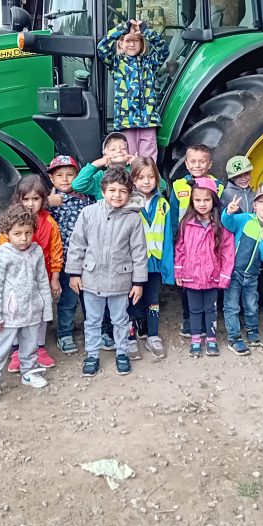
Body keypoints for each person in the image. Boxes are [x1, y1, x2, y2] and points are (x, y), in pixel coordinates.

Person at [65, 166, 148, 378]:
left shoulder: (133, 219)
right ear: (103, 191)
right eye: (112, 190)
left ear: (129, 194)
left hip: (120, 280)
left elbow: (139, 252)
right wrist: (74, 273)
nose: (117, 195)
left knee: (120, 320)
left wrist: (138, 282)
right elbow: (77, 244)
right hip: (91, 279)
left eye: (122, 191)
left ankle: (122, 352)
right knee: (92, 320)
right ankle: (92, 354)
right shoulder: (88, 213)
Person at [0, 204, 52, 405]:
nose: (24, 238)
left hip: (32, 311)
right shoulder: (1, 256)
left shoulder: (36, 251)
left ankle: (29, 372)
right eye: (17, 233)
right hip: (8, 314)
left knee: (30, 344)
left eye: (28, 233)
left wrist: (45, 308)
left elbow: (42, 280)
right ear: (7, 233)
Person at [0, 176, 63, 371]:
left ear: (43, 199)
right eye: (26, 199)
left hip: (40, 278)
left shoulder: (49, 222)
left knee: (41, 312)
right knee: (17, 312)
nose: (30, 204)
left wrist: (55, 279)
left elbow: (56, 251)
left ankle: (39, 348)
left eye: (35, 199)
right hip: (16, 280)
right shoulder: (11, 222)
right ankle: (18, 351)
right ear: (18, 199)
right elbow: (2, 253)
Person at [175, 178, 235, 357]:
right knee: (194, 309)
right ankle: (195, 340)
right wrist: (178, 270)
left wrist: (225, 275)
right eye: (198, 200)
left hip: (212, 276)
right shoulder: (186, 223)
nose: (202, 204)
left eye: (206, 200)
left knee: (210, 309)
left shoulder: (220, 224)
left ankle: (211, 339)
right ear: (192, 201)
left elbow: (227, 250)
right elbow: (180, 249)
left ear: (213, 200)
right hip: (191, 276)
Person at [169, 144, 223, 338]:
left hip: (210, 242)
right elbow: (174, 215)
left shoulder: (218, 185)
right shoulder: (178, 186)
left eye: (202, 161)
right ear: (186, 163)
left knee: (210, 282)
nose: (197, 165)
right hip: (187, 243)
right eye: (193, 161)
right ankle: (188, 319)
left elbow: (221, 214)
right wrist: (175, 240)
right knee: (188, 285)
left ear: (210, 164)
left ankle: (210, 323)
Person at [97, 19, 170, 160]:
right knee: (128, 156)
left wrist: (145, 30)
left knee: (148, 159)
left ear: (142, 43)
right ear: (121, 43)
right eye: (128, 40)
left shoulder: (150, 63)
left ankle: (149, 180)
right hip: (126, 120)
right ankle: (130, 182)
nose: (132, 44)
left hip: (148, 120)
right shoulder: (116, 63)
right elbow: (102, 47)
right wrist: (122, 28)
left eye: (136, 40)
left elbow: (163, 50)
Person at [221, 185, 263, 354]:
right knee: (231, 306)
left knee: (252, 305)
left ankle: (252, 330)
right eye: (262, 201)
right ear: (254, 206)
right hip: (235, 271)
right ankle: (234, 337)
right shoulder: (245, 219)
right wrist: (229, 212)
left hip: (253, 275)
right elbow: (227, 223)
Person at [46, 154, 93, 355]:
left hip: (87, 258)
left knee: (90, 298)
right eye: (60, 175)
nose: (65, 179)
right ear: (51, 179)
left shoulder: (86, 199)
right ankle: (64, 333)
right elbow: (30, 211)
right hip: (63, 260)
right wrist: (48, 202)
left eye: (70, 174)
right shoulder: (49, 201)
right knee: (68, 299)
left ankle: (97, 331)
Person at [130, 157, 175, 360]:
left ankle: (153, 336)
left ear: (157, 180)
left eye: (151, 177)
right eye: (140, 177)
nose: (146, 182)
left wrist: (167, 266)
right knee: (132, 300)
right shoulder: (127, 203)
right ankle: (131, 335)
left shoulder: (163, 204)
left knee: (153, 299)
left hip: (155, 262)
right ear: (133, 180)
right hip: (132, 264)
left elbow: (167, 236)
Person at [72, 132, 137, 199]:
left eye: (123, 148)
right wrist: (95, 164)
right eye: (113, 149)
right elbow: (77, 185)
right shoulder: (101, 176)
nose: (119, 151)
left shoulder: (134, 171)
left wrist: (138, 164)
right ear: (104, 156)